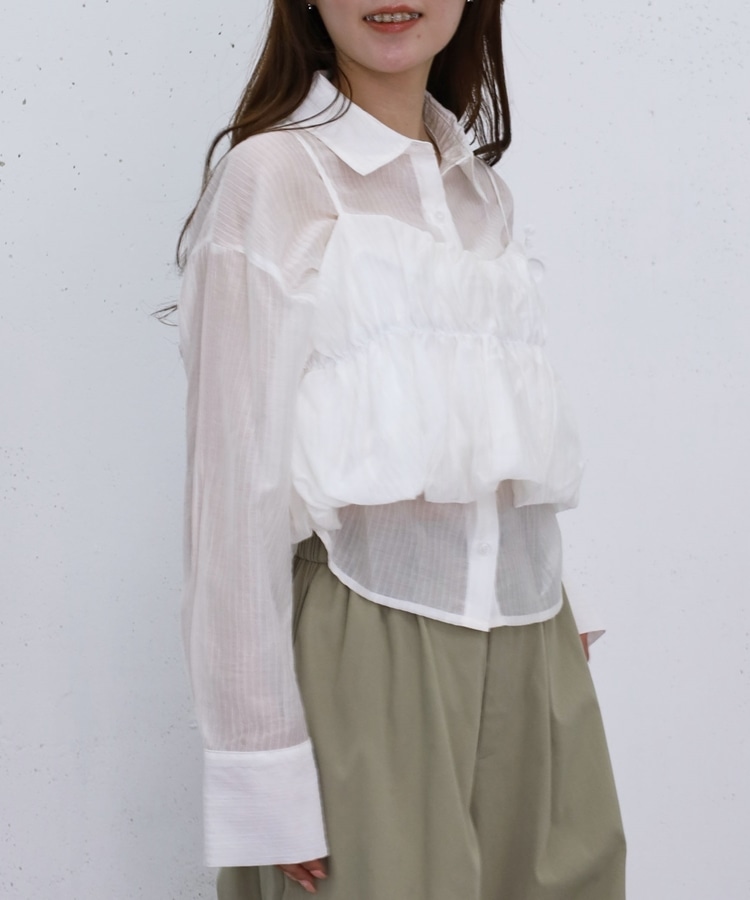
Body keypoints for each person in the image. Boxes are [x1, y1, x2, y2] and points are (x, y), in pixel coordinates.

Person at [174, 0, 627, 897]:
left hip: (535, 647)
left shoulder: (481, 193)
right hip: (370, 648)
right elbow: (231, 493)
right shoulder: (274, 176)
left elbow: (490, 446)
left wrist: (541, 603)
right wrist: (261, 763)